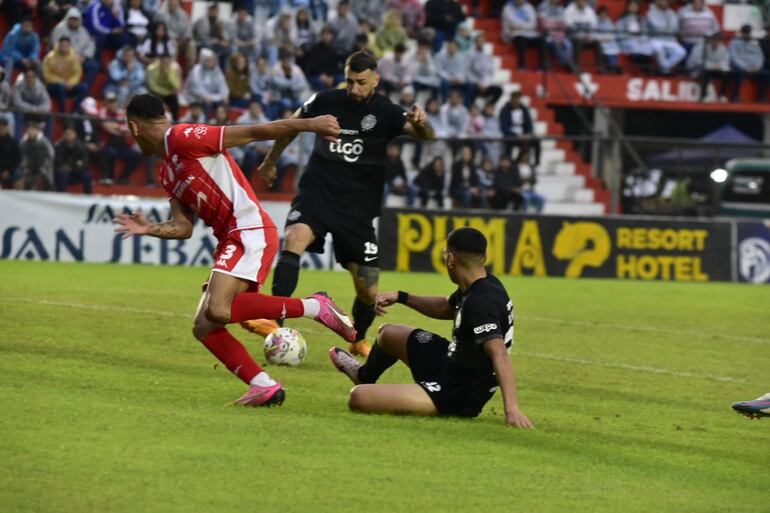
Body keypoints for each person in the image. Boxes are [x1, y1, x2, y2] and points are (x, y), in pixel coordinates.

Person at [113, 93, 355, 407]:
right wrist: (150, 229)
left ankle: (315, 307)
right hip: (231, 238)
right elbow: (183, 227)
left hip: (248, 228)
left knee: (217, 309)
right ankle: (263, 385)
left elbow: (253, 132)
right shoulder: (167, 171)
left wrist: (311, 124)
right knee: (204, 326)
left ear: (133, 127)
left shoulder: (184, 137)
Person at [255, 51, 435, 357]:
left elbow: (426, 137)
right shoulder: (325, 100)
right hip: (317, 194)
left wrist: (422, 123)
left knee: (368, 289)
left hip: (357, 211)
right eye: (350, 81)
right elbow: (291, 126)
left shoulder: (387, 112)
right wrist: (271, 161)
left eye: (361, 83)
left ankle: (357, 337)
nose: (354, 89)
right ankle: (277, 324)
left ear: (376, 79)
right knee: (295, 238)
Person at [328, 227, 534, 428]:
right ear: (484, 257)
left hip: (458, 392)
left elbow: (499, 354)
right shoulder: (482, 283)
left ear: (451, 259)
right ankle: (363, 375)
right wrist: (402, 297)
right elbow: (447, 307)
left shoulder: (482, 301)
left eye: (445, 255)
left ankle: (378, 389)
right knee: (388, 333)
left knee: (359, 398)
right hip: (451, 363)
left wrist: (512, 408)